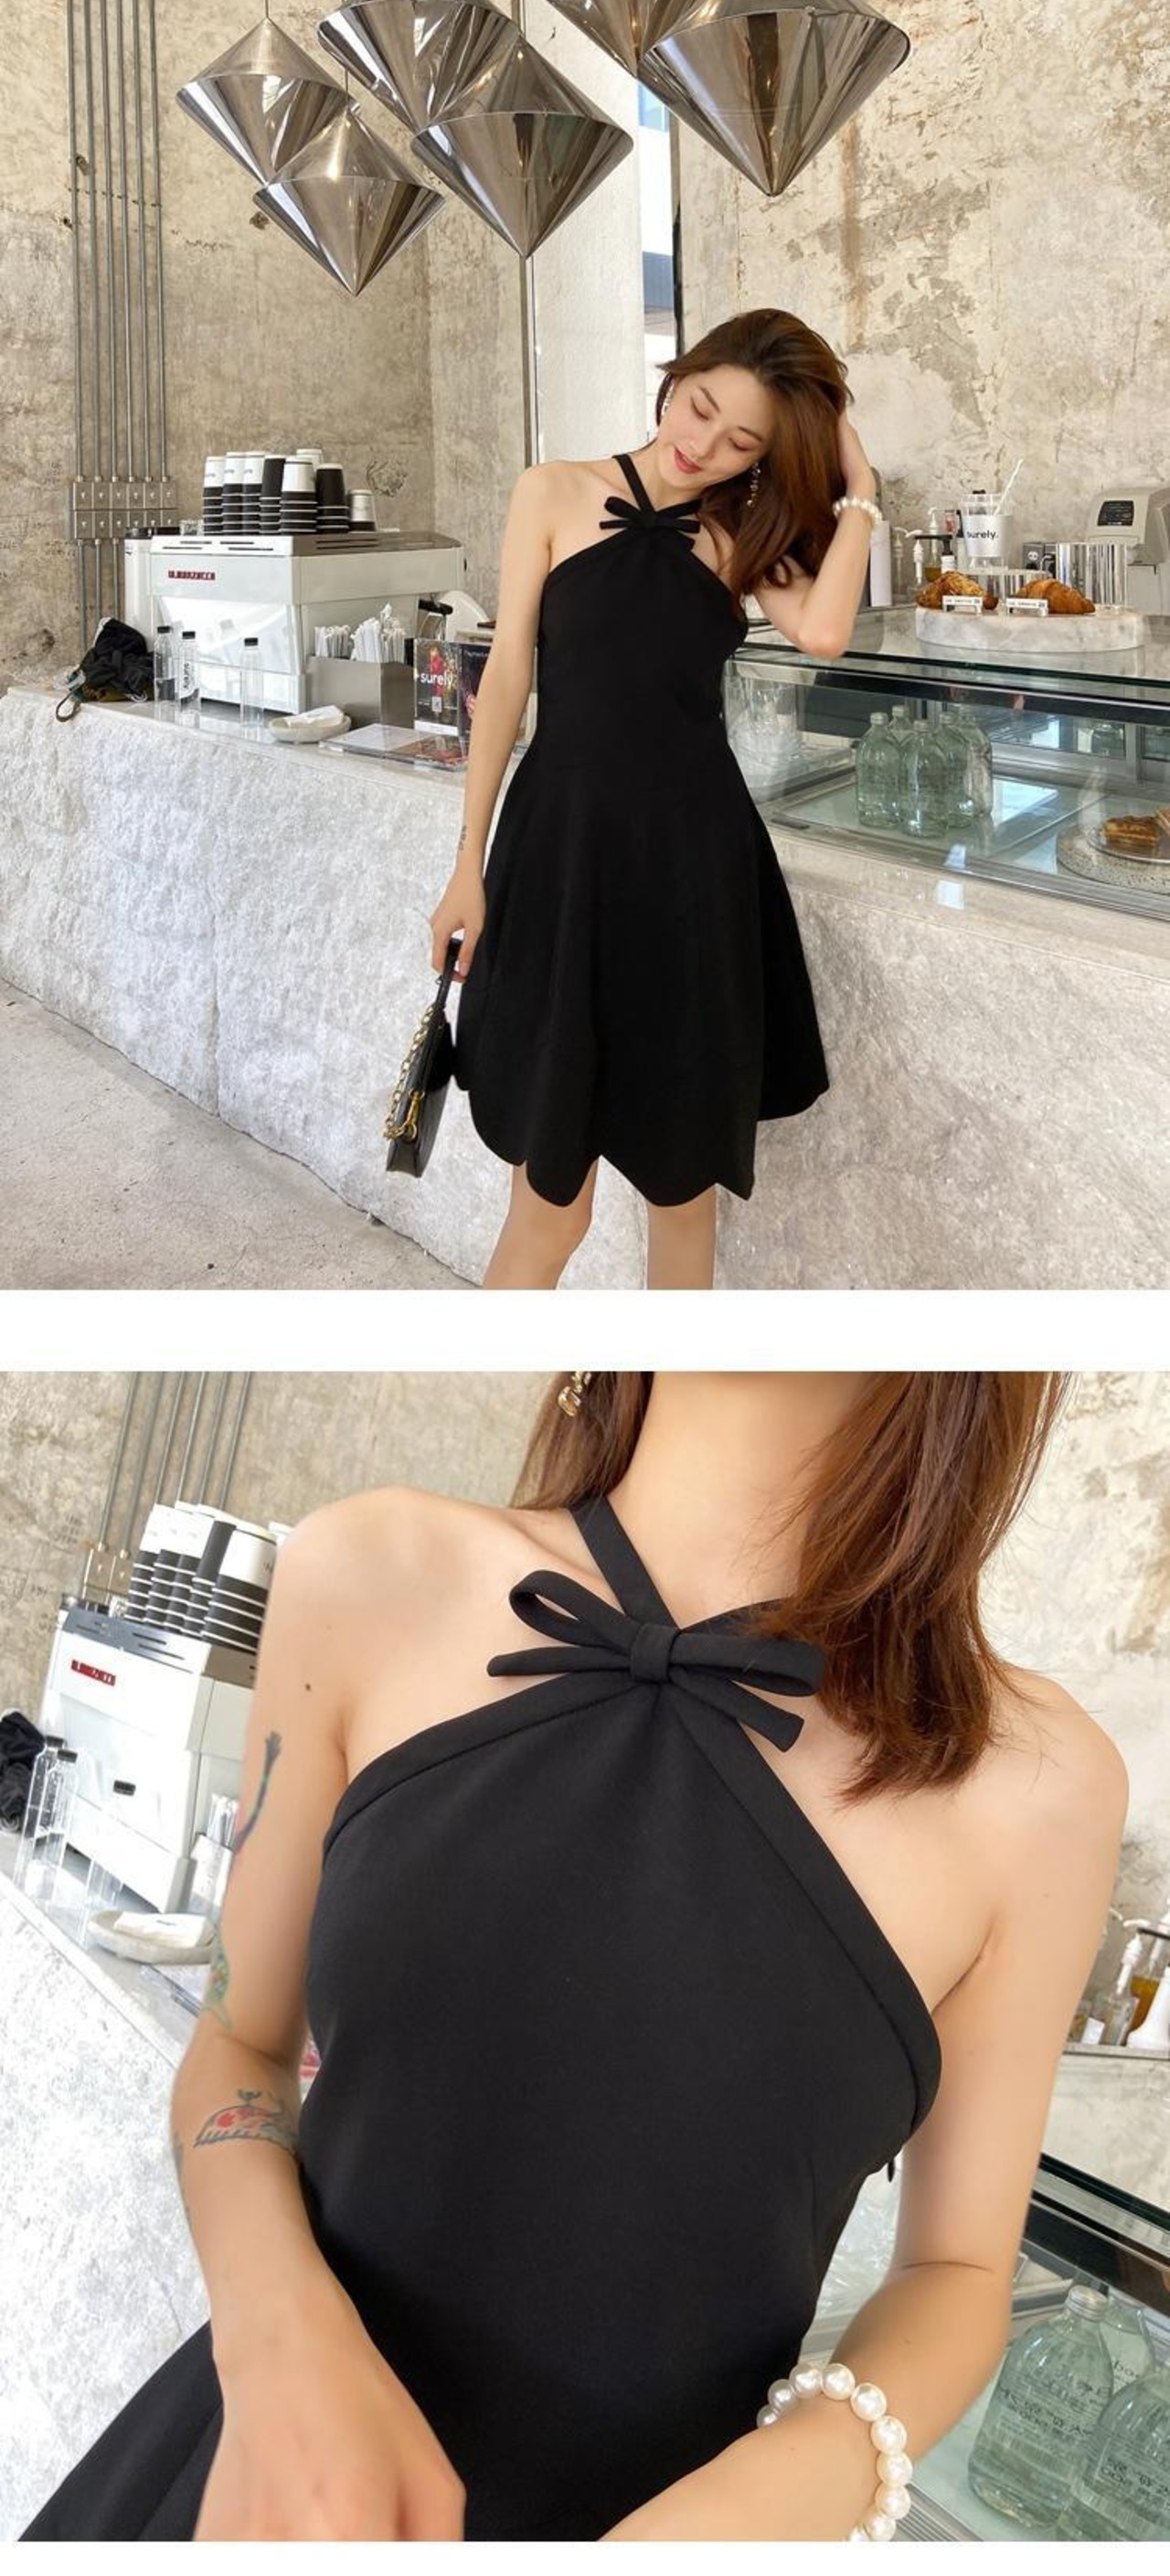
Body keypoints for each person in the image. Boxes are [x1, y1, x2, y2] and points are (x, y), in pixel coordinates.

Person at [27, 1370, 1126, 2543]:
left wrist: (764, 2501)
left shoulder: (1035, 1788)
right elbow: (237, 2045)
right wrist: (276, 2334)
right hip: (281, 2502)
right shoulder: (369, 1571)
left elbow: (956, 2269)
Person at [428, 309, 877, 1291]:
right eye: (701, 406)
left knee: (684, 1198)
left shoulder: (740, 533)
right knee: (549, 1209)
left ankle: (667, 1380)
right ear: (677, 376)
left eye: (741, 441)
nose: (702, 445)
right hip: (562, 854)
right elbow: (506, 681)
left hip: (691, 867)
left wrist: (862, 494)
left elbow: (826, 631)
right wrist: (467, 863)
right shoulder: (551, 490)